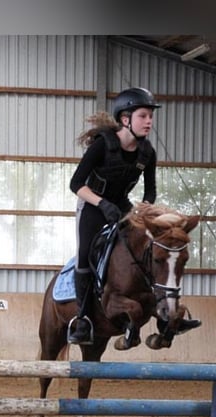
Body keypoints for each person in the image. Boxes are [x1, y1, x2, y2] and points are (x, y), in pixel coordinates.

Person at [66, 86, 201, 345]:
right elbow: (76, 184)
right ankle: (82, 320)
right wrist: (102, 204)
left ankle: (165, 314)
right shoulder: (102, 145)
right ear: (125, 119)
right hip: (92, 205)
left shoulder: (147, 152)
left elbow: (150, 191)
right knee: (84, 256)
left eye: (150, 116)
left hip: (124, 207)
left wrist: (145, 210)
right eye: (143, 115)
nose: (149, 121)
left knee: (147, 249)